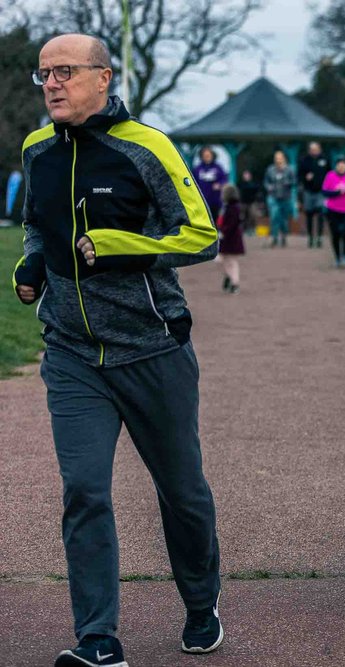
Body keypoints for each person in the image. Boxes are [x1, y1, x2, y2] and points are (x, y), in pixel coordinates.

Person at [12, 34, 223, 666]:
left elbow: (203, 236)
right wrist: (32, 264)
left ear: (104, 78)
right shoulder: (37, 150)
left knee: (182, 492)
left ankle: (200, 604)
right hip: (73, 354)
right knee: (84, 492)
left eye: (66, 72)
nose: (52, 83)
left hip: (152, 349)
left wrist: (123, 243)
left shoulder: (146, 147)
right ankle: (98, 640)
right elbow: (35, 223)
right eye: (44, 73)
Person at [298, 141, 329, 248]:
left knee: (320, 213)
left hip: (321, 191)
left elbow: (330, 174)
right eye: (312, 149)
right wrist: (305, 178)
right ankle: (311, 237)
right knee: (309, 214)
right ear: (309, 150)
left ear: (319, 149)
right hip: (308, 191)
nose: (314, 151)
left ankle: (319, 237)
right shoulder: (304, 160)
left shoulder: (324, 160)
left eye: (316, 149)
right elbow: (299, 175)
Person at [264, 149, 294, 247]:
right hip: (273, 197)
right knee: (274, 216)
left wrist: (287, 183)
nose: (278, 160)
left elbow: (294, 182)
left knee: (284, 219)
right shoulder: (270, 169)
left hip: (285, 197)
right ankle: (274, 237)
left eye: (280, 158)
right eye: (276, 158)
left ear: (284, 159)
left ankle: (284, 236)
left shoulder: (289, 169)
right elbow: (266, 181)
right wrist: (269, 187)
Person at [218, 183, 245, 293]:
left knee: (231, 261)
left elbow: (231, 224)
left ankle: (235, 283)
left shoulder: (233, 208)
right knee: (222, 259)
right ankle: (229, 277)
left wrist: (223, 232)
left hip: (230, 238)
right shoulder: (227, 207)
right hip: (228, 237)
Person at [192, 146, 228, 223]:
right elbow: (193, 182)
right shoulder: (198, 169)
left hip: (215, 200)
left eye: (208, 155)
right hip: (202, 200)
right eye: (205, 155)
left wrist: (219, 184)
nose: (207, 157)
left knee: (215, 219)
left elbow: (224, 179)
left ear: (212, 156)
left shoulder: (218, 168)